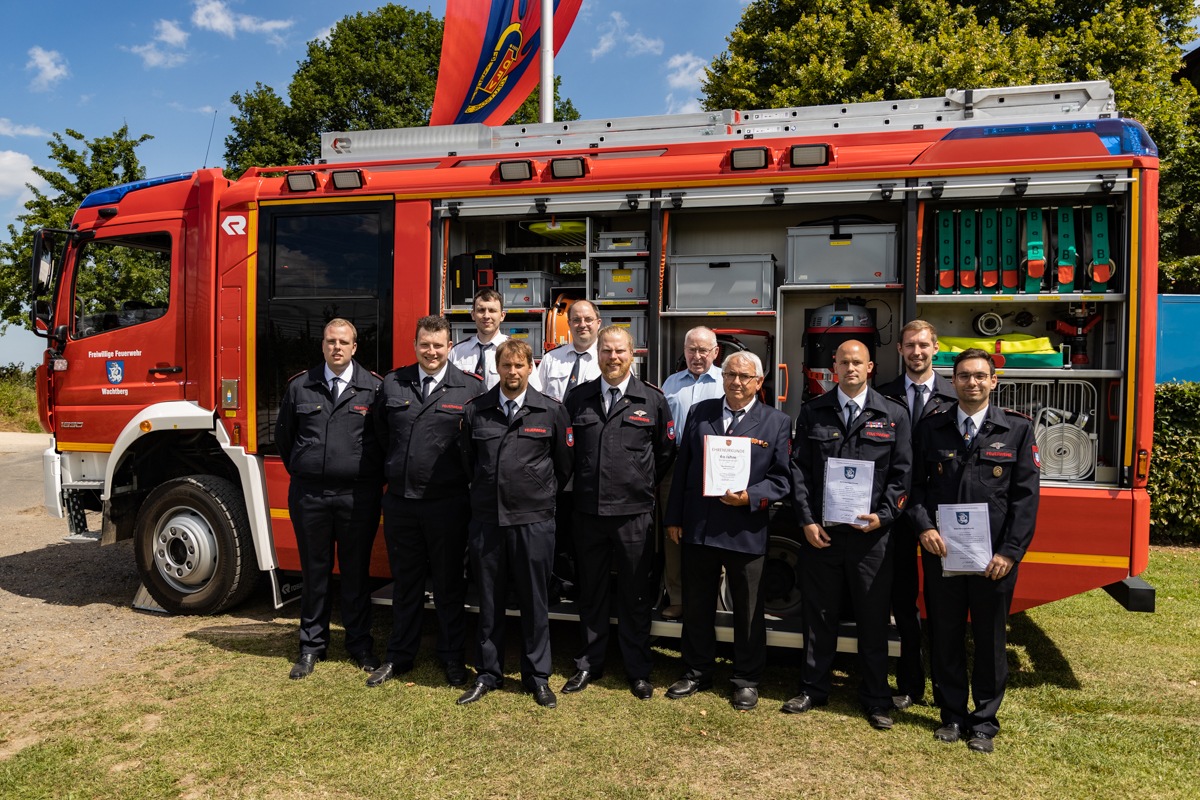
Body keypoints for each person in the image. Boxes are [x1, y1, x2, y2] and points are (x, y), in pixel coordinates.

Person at [909, 348, 1040, 753]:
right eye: (964, 376)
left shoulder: (1016, 430)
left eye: (980, 376)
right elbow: (913, 488)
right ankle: (951, 715)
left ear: (994, 381)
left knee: (988, 639)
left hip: (993, 561)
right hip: (943, 554)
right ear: (954, 381)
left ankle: (984, 720)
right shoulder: (931, 428)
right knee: (945, 636)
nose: (972, 383)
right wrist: (924, 528)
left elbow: (1026, 498)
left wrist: (1010, 552)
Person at [787, 339, 911, 729]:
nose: (851, 368)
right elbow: (799, 471)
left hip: (871, 538)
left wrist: (884, 516)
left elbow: (902, 474)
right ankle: (813, 688)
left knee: (872, 619)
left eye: (858, 362)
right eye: (844, 362)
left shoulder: (893, 414)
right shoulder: (812, 412)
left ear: (870, 367)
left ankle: (875, 698)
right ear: (833, 368)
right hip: (822, 535)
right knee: (818, 615)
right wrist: (806, 520)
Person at [664, 351, 792, 711]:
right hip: (700, 527)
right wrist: (675, 517)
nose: (736, 382)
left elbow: (782, 480)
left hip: (745, 529)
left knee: (748, 609)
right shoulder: (700, 413)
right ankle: (696, 670)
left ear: (759, 382)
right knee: (697, 603)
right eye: (731, 374)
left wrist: (750, 496)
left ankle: (746, 679)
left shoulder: (776, 422)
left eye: (745, 376)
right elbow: (684, 467)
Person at [368, 315, 485, 689]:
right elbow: (381, 436)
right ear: (414, 345)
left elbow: (475, 449)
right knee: (406, 584)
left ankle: (452, 659)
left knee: (450, 585)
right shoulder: (392, 384)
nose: (431, 352)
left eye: (438, 345)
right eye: (424, 345)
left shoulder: (469, 388)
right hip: (402, 504)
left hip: (448, 505)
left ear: (450, 347)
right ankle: (399, 656)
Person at [457, 339, 573, 708]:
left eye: (519, 366)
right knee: (488, 601)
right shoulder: (477, 410)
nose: (512, 372)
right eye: (506, 365)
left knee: (534, 601)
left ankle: (537, 677)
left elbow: (564, 466)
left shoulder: (551, 411)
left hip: (534, 522)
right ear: (498, 367)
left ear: (530, 367)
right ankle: (487, 674)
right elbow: (467, 463)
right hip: (488, 522)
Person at [563, 326, 676, 700]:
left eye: (620, 351)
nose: (613, 357)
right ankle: (588, 664)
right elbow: (568, 452)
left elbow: (663, 454)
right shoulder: (578, 397)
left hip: (633, 515)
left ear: (634, 355)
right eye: (606, 351)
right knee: (591, 592)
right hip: (587, 513)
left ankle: (638, 669)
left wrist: (637, 484)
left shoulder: (653, 400)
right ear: (598, 354)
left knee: (635, 594)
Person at [275, 318, 384, 680]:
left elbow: (384, 443)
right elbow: (285, 439)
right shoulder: (300, 387)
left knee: (355, 573)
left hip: (358, 496)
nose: (337, 347)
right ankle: (311, 646)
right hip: (310, 496)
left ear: (355, 348)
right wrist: (309, 469)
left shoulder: (373, 388)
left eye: (344, 342)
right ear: (322, 346)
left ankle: (359, 645)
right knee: (315, 572)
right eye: (330, 341)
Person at [876, 320, 957, 709]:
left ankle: (945, 690)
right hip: (896, 517)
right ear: (900, 350)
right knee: (903, 605)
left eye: (924, 345)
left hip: (939, 518)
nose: (917, 352)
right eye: (910, 345)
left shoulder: (955, 394)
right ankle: (910, 685)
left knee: (943, 608)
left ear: (936, 348)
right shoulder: (883, 395)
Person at [658, 326, 724, 620]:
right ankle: (678, 597)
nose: (696, 356)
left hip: (714, 464)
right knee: (672, 531)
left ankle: (712, 599)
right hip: (674, 463)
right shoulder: (670, 383)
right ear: (683, 352)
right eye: (691, 350)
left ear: (715, 352)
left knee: (713, 531)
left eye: (703, 350)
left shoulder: (727, 381)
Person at [449, 288, 542, 392]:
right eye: (481, 310)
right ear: (473, 315)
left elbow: (534, 391)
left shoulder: (519, 351)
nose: (486, 316)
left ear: (502, 316)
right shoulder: (456, 352)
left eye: (492, 311)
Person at [537, 299, 602, 403]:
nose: (582, 325)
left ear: (598, 323)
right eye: (576, 320)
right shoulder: (551, 359)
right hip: (556, 419)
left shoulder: (610, 359)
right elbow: (536, 396)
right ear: (569, 323)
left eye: (588, 319)